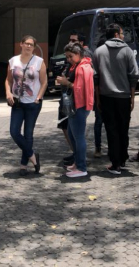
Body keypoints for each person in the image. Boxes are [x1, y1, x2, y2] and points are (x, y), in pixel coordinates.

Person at [94, 23, 139, 175]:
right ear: (115, 35)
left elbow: (95, 78)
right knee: (123, 129)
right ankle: (123, 158)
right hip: (124, 97)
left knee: (111, 130)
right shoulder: (128, 51)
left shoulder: (99, 51)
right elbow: (134, 75)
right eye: (121, 33)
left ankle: (115, 163)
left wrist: (98, 98)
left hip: (106, 97)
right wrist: (132, 97)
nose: (123, 36)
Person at [7, 35, 45, 175]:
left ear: (34, 47)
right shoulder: (13, 61)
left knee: (28, 134)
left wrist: (39, 97)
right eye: (26, 43)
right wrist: (8, 93)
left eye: (31, 44)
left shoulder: (39, 61)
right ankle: (33, 157)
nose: (28, 46)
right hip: (17, 102)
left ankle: (24, 165)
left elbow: (44, 82)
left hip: (33, 103)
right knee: (14, 132)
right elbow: (8, 80)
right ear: (21, 44)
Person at [56, 42, 95, 178]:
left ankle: (81, 167)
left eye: (70, 56)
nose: (68, 59)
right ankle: (78, 163)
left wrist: (66, 83)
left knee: (78, 137)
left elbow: (81, 88)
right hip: (76, 105)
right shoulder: (79, 65)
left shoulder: (84, 67)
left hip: (80, 106)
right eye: (67, 57)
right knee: (72, 135)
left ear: (78, 54)